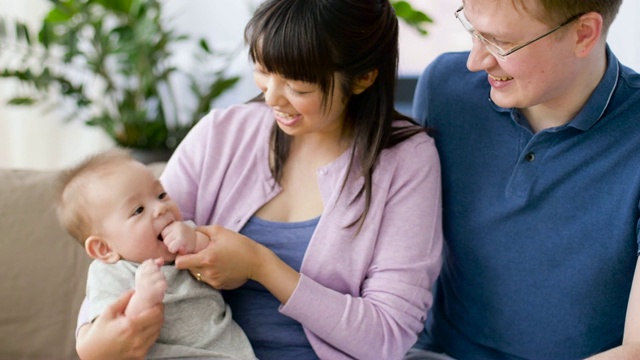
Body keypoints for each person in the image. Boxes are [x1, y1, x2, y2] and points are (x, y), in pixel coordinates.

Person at [72, 0, 444, 359]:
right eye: (263, 71)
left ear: (362, 78)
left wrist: (260, 266)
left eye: (298, 87)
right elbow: (126, 251)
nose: (272, 99)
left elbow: (387, 338)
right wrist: (94, 338)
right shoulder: (222, 133)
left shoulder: (405, 162)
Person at [406, 0, 640, 359]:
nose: (475, 61)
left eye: (500, 42)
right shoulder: (444, 88)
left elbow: (636, 348)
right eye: (473, 30)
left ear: (584, 33)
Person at [56, 149, 256, 359]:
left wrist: (196, 240)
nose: (160, 208)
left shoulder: (187, 233)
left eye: (161, 195)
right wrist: (142, 299)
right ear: (104, 249)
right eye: (138, 210)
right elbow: (118, 330)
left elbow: (223, 263)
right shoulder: (109, 274)